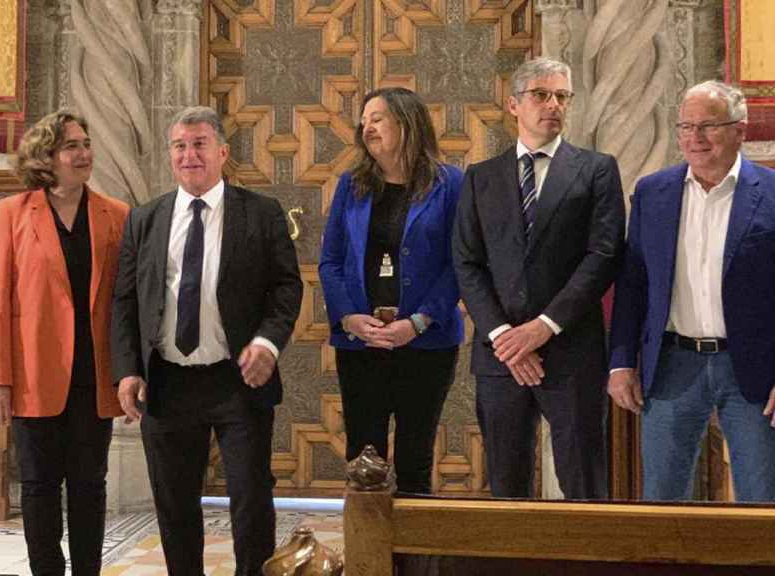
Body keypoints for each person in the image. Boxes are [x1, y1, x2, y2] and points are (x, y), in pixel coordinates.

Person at [112, 106, 302, 576]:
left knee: (251, 501)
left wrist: (268, 343)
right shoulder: (146, 219)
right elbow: (125, 299)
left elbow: (286, 287)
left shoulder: (260, 213)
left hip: (237, 379)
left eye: (198, 144)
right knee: (175, 507)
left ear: (221, 152)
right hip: (168, 381)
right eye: (179, 145)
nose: (189, 154)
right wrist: (128, 369)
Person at [452, 57, 625, 499]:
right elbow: (467, 263)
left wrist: (542, 328)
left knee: (584, 482)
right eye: (541, 95)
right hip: (500, 356)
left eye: (562, 97)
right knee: (507, 485)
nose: (554, 105)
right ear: (514, 105)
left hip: (570, 351)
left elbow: (603, 255)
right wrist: (504, 336)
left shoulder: (595, 169)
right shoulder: (480, 177)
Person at [609, 81, 775, 502]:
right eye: (685, 126)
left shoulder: (771, 193)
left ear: (740, 130)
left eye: (708, 126)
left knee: (762, 498)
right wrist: (622, 362)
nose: (694, 138)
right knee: (661, 499)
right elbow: (633, 284)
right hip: (672, 365)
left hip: (753, 370)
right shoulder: (654, 192)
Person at [0, 110, 129, 575]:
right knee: (39, 485)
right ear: (46, 157)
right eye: (72, 146)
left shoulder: (116, 214)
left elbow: (126, 303)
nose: (84, 154)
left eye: (86, 144)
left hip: (94, 373)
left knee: (90, 484)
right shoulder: (12, 212)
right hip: (33, 373)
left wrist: (129, 370)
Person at [318, 87, 463, 494]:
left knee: (416, 457)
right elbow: (330, 261)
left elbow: (460, 263)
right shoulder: (352, 184)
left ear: (407, 121)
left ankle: (415, 558)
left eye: (377, 118)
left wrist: (417, 322)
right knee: (364, 459)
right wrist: (348, 316)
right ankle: (370, 556)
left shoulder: (450, 183)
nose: (367, 127)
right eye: (364, 121)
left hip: (427, 341)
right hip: (361, 343)